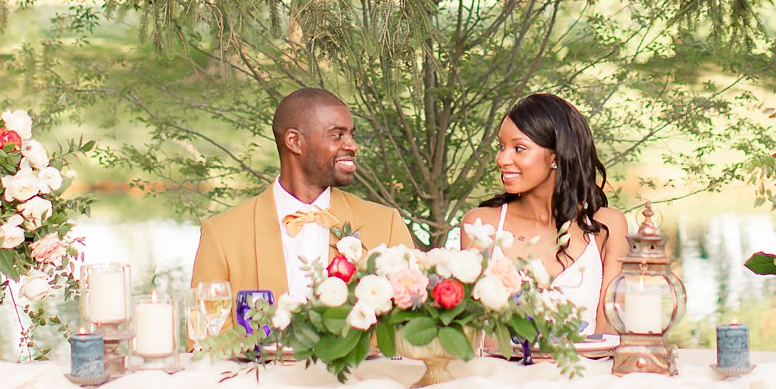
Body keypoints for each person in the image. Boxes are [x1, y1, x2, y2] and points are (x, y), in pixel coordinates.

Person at [190, 88, 417, 302]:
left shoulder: (386, 225)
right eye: (337, 135)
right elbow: (205, 337)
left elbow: (410, 328)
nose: (353, 146)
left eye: (351, 134)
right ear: (295, 142)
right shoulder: (222, 235)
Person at [459, 92, 629, 334]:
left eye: (519, 148)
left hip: (588, 370)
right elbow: (478, 336)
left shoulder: (607, 226)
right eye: (501, 147)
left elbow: (610, 335)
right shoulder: (482, 225)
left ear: (556, 156)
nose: (501, 159)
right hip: (501, 371)